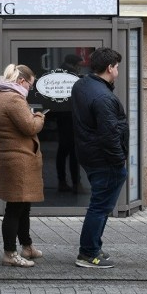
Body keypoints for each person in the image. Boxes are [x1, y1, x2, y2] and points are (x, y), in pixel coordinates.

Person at [0, 63, 46, 268]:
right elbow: (30, 127)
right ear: (21, 81)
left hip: (5, 158)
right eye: (30, 85)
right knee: (15, 208)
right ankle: (10, 252)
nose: (29, 89)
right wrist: (39, 116)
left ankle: (27, 246)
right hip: (18, 160)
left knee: (22, 206)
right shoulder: (14, 99)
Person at [71, 47, 128, 269]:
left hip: (90, 154)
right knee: (100, 207)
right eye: (117, 67)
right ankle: (88, 253)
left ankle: (94, 246)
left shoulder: (82, 85)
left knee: (100, 205)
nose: (118, 71)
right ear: (109, 68)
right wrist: (118, 160)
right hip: (104, 160)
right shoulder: (103, 97)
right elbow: (109, 134)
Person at [56, 54, 83, 192]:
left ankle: (62, 181)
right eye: (79, 64)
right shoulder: (72, 76)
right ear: (74, 64)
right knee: (72, 151)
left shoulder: (58, 72)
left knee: (62, 150)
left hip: (61, 116)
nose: (80, 67)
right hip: (70, 116)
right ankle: (76, 183)